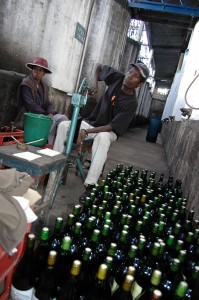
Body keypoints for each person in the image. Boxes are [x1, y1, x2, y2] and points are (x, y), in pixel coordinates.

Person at [53, 62, 149, 202]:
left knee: (103, 138)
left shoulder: (131, 103)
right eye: (130, 71)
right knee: (63, 125)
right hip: (92, 122)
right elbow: (99, 66)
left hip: (109, 131)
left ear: (139, 84)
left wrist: (87, 132)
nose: (129, 76)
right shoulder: (118, 78)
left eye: (135, 76)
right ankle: (55, 170)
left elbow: (112, 126)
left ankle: (91, 184)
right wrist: (96, 84)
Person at [14, 57, 68, 145]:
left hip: (43, 114)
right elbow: (30, 105)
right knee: (51, 122)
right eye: (35, 69)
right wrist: (46, 114)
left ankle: (55, 146)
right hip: (29, 116)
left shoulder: (44, 86)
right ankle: (47, 144)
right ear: (32, 70)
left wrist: (50, 112)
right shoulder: (26, 84)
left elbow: (48, 102)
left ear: (44, 73)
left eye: (40, 70)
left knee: (63, 119)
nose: (37, 72)